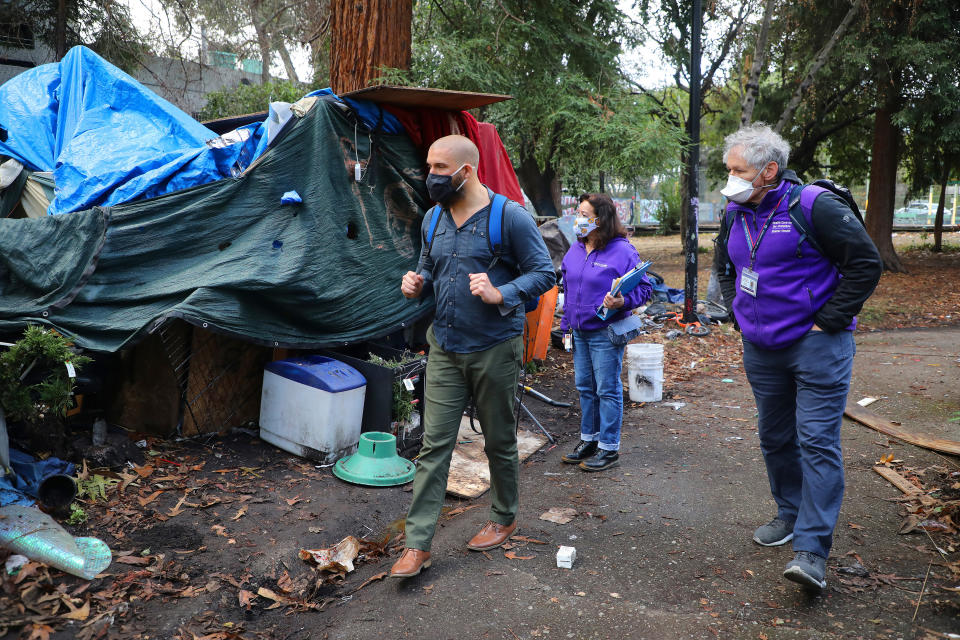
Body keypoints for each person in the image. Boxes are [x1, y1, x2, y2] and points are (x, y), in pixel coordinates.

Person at [714, 123, 882, 590]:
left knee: (816, 441)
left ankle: (811, 551)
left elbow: (866, 264)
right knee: (775, 437)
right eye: (728, 169)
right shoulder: (735, 211)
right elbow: (725, 266)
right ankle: (789, 514)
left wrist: (826, 321)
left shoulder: (813, 205)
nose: (730, 179)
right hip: (761, 349)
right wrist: (737, 312)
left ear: (769, 171)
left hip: (816, 347)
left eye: (738, 170)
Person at [389, 135, 555, 579]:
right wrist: (418, 281)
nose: (432, 176)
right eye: (430, 166)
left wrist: (503, 292)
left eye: (441, 168)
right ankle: (417, 545)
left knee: (499, 441)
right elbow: (429, 264)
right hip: (444, 346)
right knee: (433, 445)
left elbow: (544, 272)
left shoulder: (510, 218)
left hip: (494, 348)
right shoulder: (432, 218)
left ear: (467, 170)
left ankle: (504, 516)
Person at [559, 193, 651, 471]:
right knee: (585, 387)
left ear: (601, 220)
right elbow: (567, 288)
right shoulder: (575, 249)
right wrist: (565, 328)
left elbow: (645, 289)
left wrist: (623, 301)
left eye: (585, 216)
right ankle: (589, 439)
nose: (578, 220)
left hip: (604, 332)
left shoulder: (622, 251)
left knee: (607, 389)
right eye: (578, 213)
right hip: (579, 331)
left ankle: (609, 448)